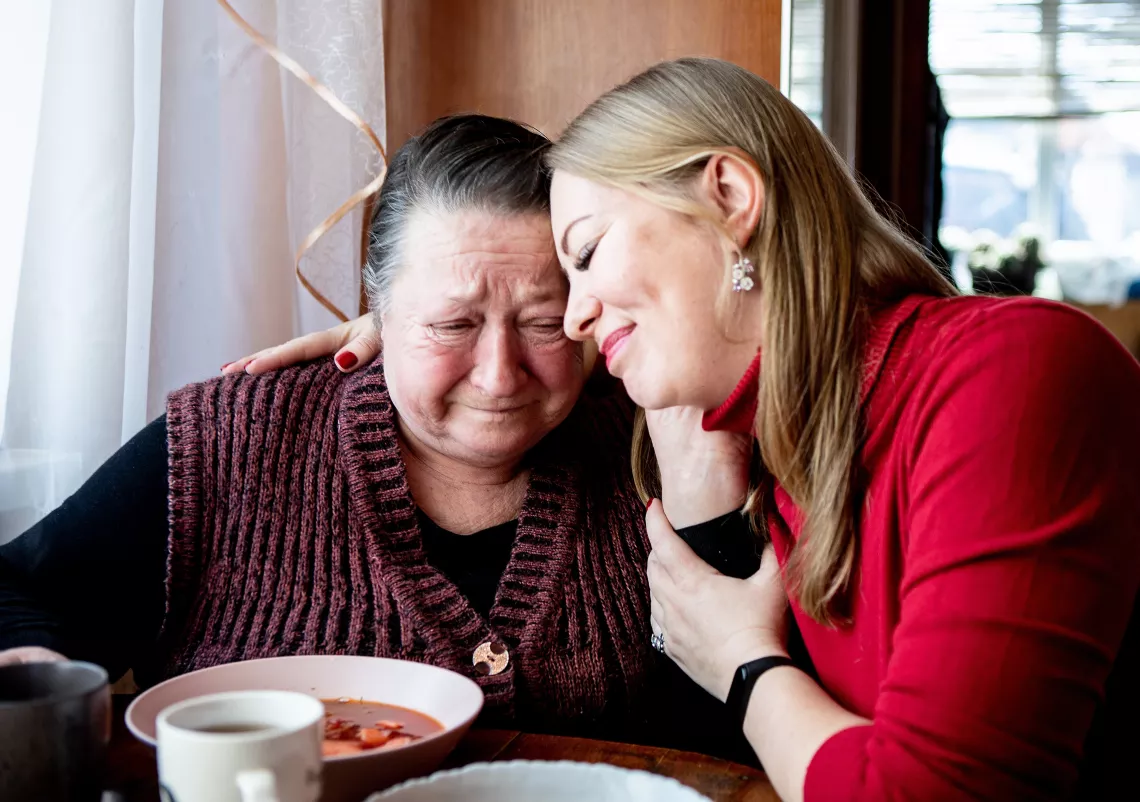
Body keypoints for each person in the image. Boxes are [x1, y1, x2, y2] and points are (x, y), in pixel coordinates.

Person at [264, 60, 1140, 800]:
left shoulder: (1014, 368)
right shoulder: (768, 437)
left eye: (588, 252)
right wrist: (407, 329)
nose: (570, 319)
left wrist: (743, 663)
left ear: (729, 195)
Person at [0, 113, 751, 752]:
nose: (498, 373)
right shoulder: (233, 442)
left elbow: (738, 731)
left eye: (543, 324)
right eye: (451, 324)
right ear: (377, 312)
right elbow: (17, 589)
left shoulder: (659, 442)